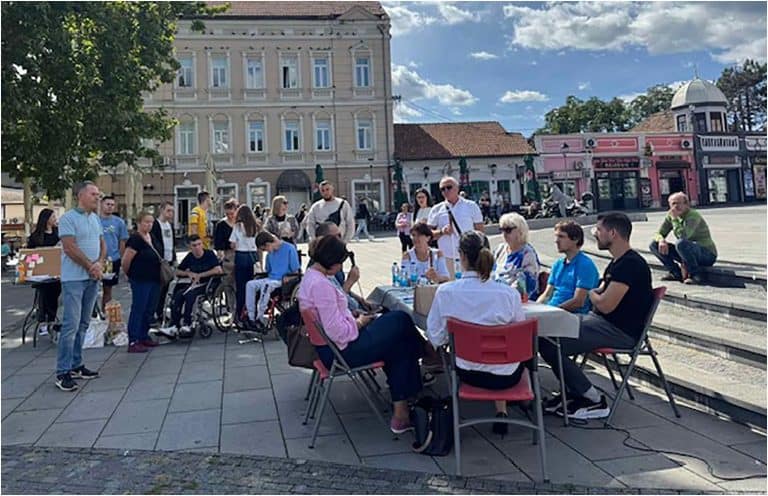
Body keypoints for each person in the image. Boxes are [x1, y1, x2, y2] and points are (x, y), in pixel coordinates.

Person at [298, 234, 427, 434]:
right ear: (331, 262)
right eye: (340, 263)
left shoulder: (312, 277)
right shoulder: (321, 285)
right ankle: (426, 358)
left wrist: (351, 314)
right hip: (342, 350)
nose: (341, 267)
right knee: (400, 319)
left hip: (332, 347)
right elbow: (338, 331)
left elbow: (331, 318)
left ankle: (401, 414)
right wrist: (359, 322)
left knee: (399, 344)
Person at [539, 212, 653, 420]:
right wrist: (597, 294)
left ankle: (592, 399)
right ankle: (574, 393)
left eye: (599, 230)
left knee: (548, 341)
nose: (595, 234)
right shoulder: (618, 263)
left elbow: (606, 304)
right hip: (600, 322)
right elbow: (601, 294)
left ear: (613, 233)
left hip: (617, 330)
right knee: (546, 336)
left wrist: (592, 293)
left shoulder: (630, 264)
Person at [427, 231, 526, 434]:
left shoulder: (446, 292)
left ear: (461, 256)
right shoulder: (509, 294)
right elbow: (519, 339)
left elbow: (435, 337)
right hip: (507, 376)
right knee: (503, 351)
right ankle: (504, 410)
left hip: (467, 373)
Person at [55, 181, 104, 391]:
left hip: (92, 277)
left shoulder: (95, 218)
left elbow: (102, 243)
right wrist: (90, 265)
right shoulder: (68, 219)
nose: (97, 197)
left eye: (98, 194)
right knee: (71, 325)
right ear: (80, 196)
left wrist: (100, 263)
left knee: (84, 323)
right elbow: (69, 247)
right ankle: (62, 371)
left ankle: (76, 363)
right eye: (94, 194)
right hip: (74, 278)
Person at [649, 192, 717, 285]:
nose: (676, 206)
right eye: (673, 204)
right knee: (654, 245)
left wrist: (675, 219)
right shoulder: (671, 216)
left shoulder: (693, 215)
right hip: (686, 252)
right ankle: (675, 272)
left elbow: (684, 235)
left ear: (686, 204)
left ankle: (696, 275)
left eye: (679, 203)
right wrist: (661, 240)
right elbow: (659, 233)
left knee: (681, 243)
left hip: (706, 253)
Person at [537, 221, 599, 314]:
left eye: (561, 237)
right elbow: (546, 295)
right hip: (551, 312)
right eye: (556, 236)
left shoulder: (585, 265)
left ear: (575, 239)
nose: (556, 240)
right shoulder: (557, 265)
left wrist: (553, 312)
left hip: (571, 317)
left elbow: (578, 301)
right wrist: (534, 310)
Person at [428, 176, 484, 278]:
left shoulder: (471, 206)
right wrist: (442, 232)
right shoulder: (436, 209)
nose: (446, 191)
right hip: (446, 257)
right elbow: (427, 235)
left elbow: (480, 232)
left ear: (457, 188)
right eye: (442, 189)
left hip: (468, 257)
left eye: (449, 187)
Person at [122, 212, 161, 353]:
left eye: (151, 222)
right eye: (146, 222)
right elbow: (126, 261)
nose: (149, 225)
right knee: (139, 307)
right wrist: (129, 274)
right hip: (140, 279)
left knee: (149, 308)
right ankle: (133, 339)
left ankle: (143, 335)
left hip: (155, 278)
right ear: (139, 223)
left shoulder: (152, 237)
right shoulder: (135, 239)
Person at [244, 231, 300, 329]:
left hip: (283, 280)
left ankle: (260, 317)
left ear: (268, 244)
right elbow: (268, 270)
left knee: (267, 286)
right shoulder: (270, 254)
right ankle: (251, 317)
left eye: (264, 249)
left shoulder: (289, 248)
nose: (266, 251)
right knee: (250, 284)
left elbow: (296, 271)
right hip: (271, 278)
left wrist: (289, 277)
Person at [170, 235, 223, 337]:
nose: (197, 247)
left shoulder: (209, 254)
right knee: (178, 295)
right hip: (194, 284)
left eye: (199, 244)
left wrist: (200, 275)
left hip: (209, 284)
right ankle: (174, 324)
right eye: (194, 245)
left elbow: (218, 270)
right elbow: (177, 271)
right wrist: (188, 274)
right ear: (190, 247)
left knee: (190, 295)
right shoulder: (190, 256)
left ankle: (188, 322)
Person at [27, 208, 61, 336]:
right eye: (53, 217)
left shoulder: (57, 233)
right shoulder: (36, 236)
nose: (55, 219)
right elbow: (31, 253)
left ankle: (51, 320)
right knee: (44, 295)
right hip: (41, 271)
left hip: (55, 270)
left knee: (54, 295)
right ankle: (43, 320)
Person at [492, 213, 541, 300]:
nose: (504, 234)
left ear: (520, 230)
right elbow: (490, 272)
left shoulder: (527, 253)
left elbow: (527, 285)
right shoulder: (500, 249)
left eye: (508, 230)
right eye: (501, 230)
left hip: (517, 298)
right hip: (497, 294)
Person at [230, 205, 260, 322]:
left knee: (241, 287)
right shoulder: (255, 226)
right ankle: (252, 312)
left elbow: (232, 243)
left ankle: (240, 314)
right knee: (252, 286)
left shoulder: (237, 226)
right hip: (252, 257)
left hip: (241, 256)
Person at [99, 195, 129, 309]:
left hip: (111, 260)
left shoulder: (119, 222)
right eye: (107, 204)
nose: (110, 207)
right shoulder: (95, 220)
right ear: (102, 204)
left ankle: (105, 313)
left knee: (107, 289)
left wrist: (121, 258)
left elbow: (122, 241)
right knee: (91, 289)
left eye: (112, 205)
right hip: (95, 260)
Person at [150, 201, 177, 324]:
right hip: (159, 262)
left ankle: (160, 312)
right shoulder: (155, 225)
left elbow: (172, 243)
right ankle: (153, 313)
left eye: (172, 211)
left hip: (169, 260)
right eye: (168, 211)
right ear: (161, 210)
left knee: (165, 289)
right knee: (157, 289)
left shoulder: (170, 226)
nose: (170, 214)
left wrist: (174, 258)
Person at [214, 198, 238, 264]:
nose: (230, 216)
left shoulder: (240, 223)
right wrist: (220, 253)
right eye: (227, 214)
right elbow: (218, 242)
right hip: (227, 254)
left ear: (236, 211)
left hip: (240, 253)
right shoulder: (221, 224)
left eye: (232, 213)